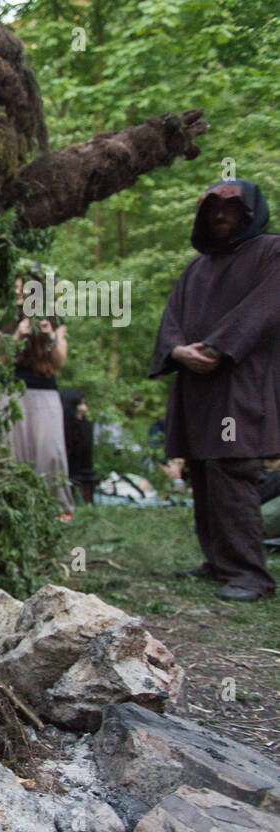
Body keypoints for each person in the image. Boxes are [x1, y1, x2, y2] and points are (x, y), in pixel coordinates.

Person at [150, 179, 280, 601]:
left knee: (233, 469)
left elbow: (263, 309)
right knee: (203, 471)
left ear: (250, 214)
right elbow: (172, 319)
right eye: (212, 211)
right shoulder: (196, 269)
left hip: (240, 381)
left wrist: (217, 346)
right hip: (197, 385)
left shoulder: (270, 252)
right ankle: (219, 563)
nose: (220, 217)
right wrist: (176, 351)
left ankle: (250, 574)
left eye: (230, 210)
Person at [3, 271, 73, 516]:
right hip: (10, 392)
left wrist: (50, 337)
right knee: (12, 451)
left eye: (24, 289)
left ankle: (57, 510)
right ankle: (16, 509)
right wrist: (17, 335)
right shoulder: (4, 319)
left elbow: (59, 362)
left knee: (50, 452)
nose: (19, 293)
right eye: (16, 288)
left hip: (45, 393)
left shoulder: (54, 319)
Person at [59, 388, 97, 505]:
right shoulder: (57, 431)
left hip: (78, 473)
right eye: (81, 404)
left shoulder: (84, 427)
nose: (84, 409)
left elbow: (87, 463)